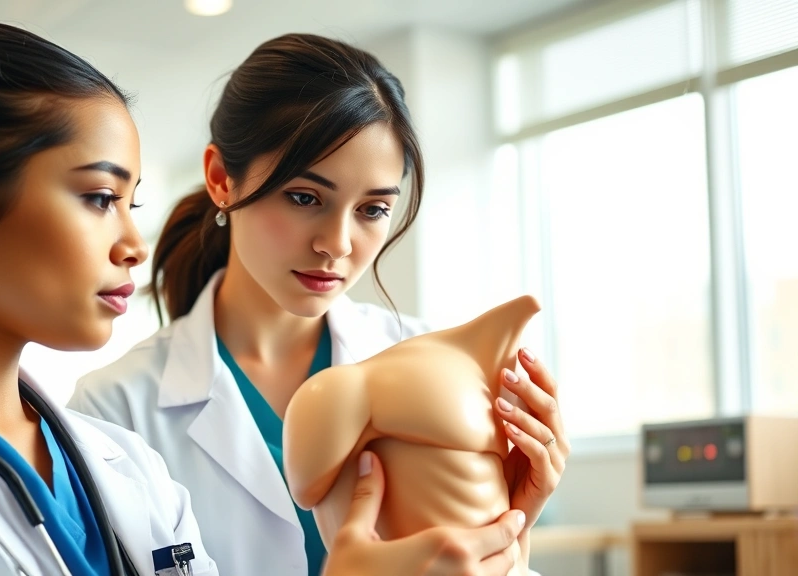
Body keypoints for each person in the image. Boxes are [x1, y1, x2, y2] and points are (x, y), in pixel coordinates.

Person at [0, 21, 527, 576]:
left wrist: (515, 505)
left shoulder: (123, 465)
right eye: (100, 198)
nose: (134, 244)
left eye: (131, 203)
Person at [68, 33, 569, 576]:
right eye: (305, 197)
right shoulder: (112, 412)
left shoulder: (437, 370)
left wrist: (511, 529)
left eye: (373, 209)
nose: (338, 243)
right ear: (221, 180)